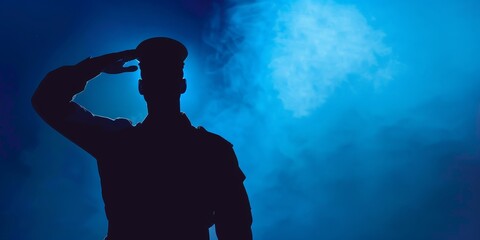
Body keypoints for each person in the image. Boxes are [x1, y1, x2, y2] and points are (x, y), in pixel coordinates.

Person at [32, 37, 253, 240]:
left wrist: (95, 67)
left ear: (141, 87)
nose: (161, 84)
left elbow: (48, 100)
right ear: (182, 85)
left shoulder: (116, 141)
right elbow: (236, 227)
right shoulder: (213, 149)